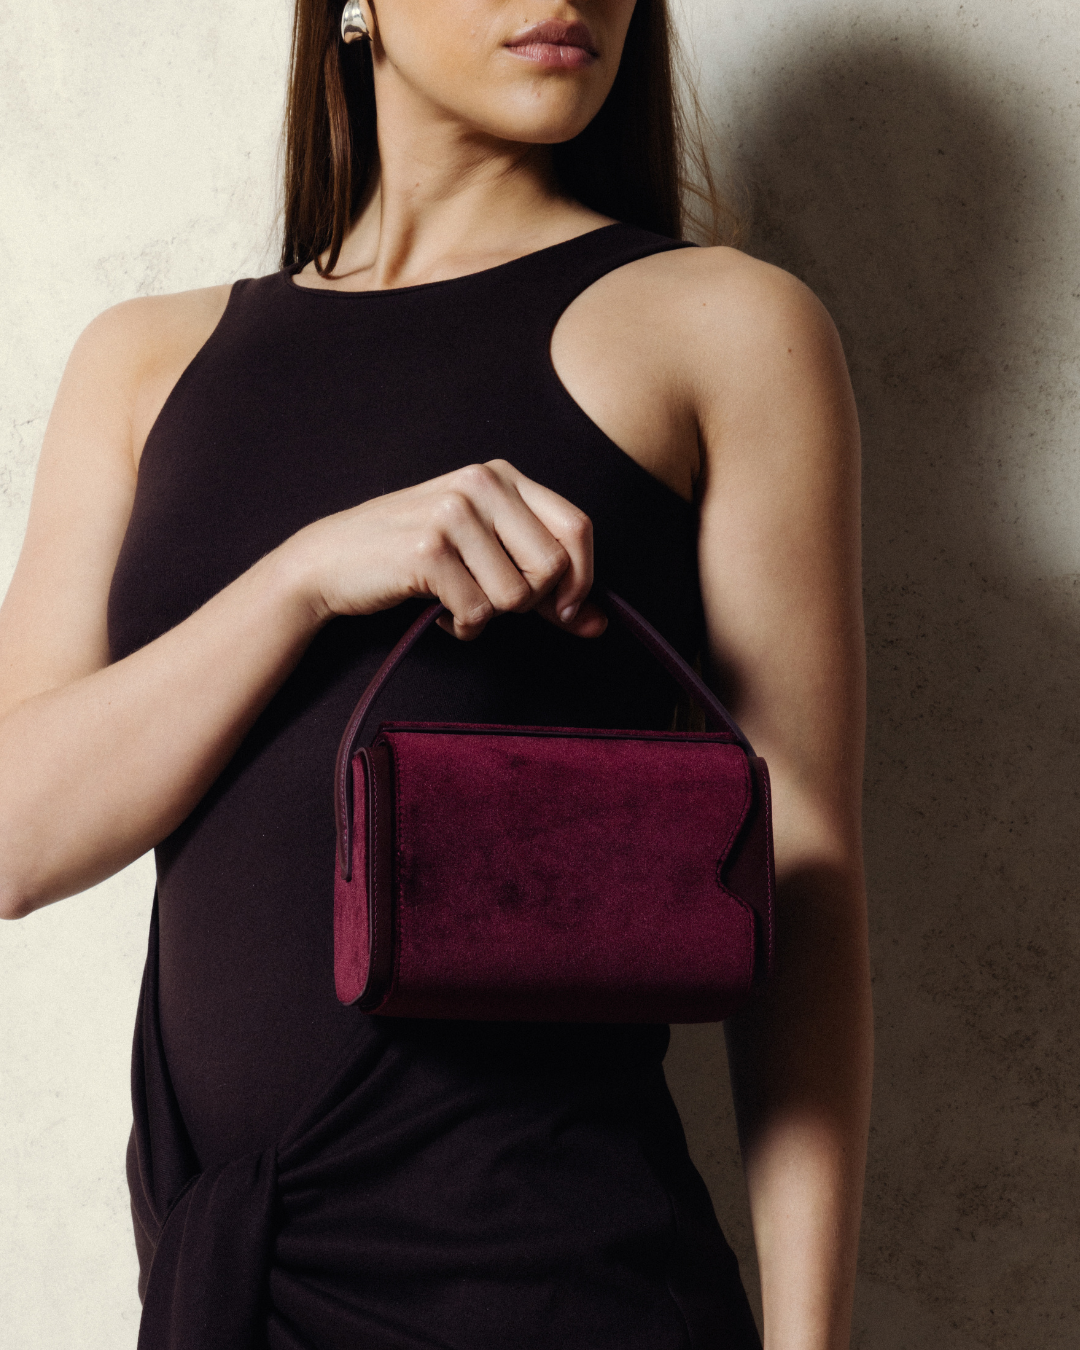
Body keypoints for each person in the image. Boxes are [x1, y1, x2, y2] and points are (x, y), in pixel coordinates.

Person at [0, 1, 872, 1347]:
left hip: (557, 1281)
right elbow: (16, 835)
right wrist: (304, 577)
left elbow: (800, 873)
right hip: (223, 1286)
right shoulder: (143, 359)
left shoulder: (724, 325)